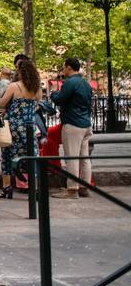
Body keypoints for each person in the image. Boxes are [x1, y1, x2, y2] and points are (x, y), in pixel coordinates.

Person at [0, 57, 42, 199]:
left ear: (20, 72)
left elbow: (1, 104)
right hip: (30, 126)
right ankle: (36, 188)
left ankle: (7, 188)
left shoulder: (14, 86)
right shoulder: (36, 88)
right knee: (32, 155)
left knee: (8, 156)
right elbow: (38, 102)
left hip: (13, 126)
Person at [50, 57, 94, 199]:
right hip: (86, 124)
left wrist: (53, 93)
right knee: (85, 158)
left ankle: (72, 189)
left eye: (64, 67)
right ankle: (84, 187)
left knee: (72, 158)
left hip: (73, 123)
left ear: (69, 67)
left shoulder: (70, 83)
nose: (63, 70)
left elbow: (59, 99)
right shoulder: (85, 83)